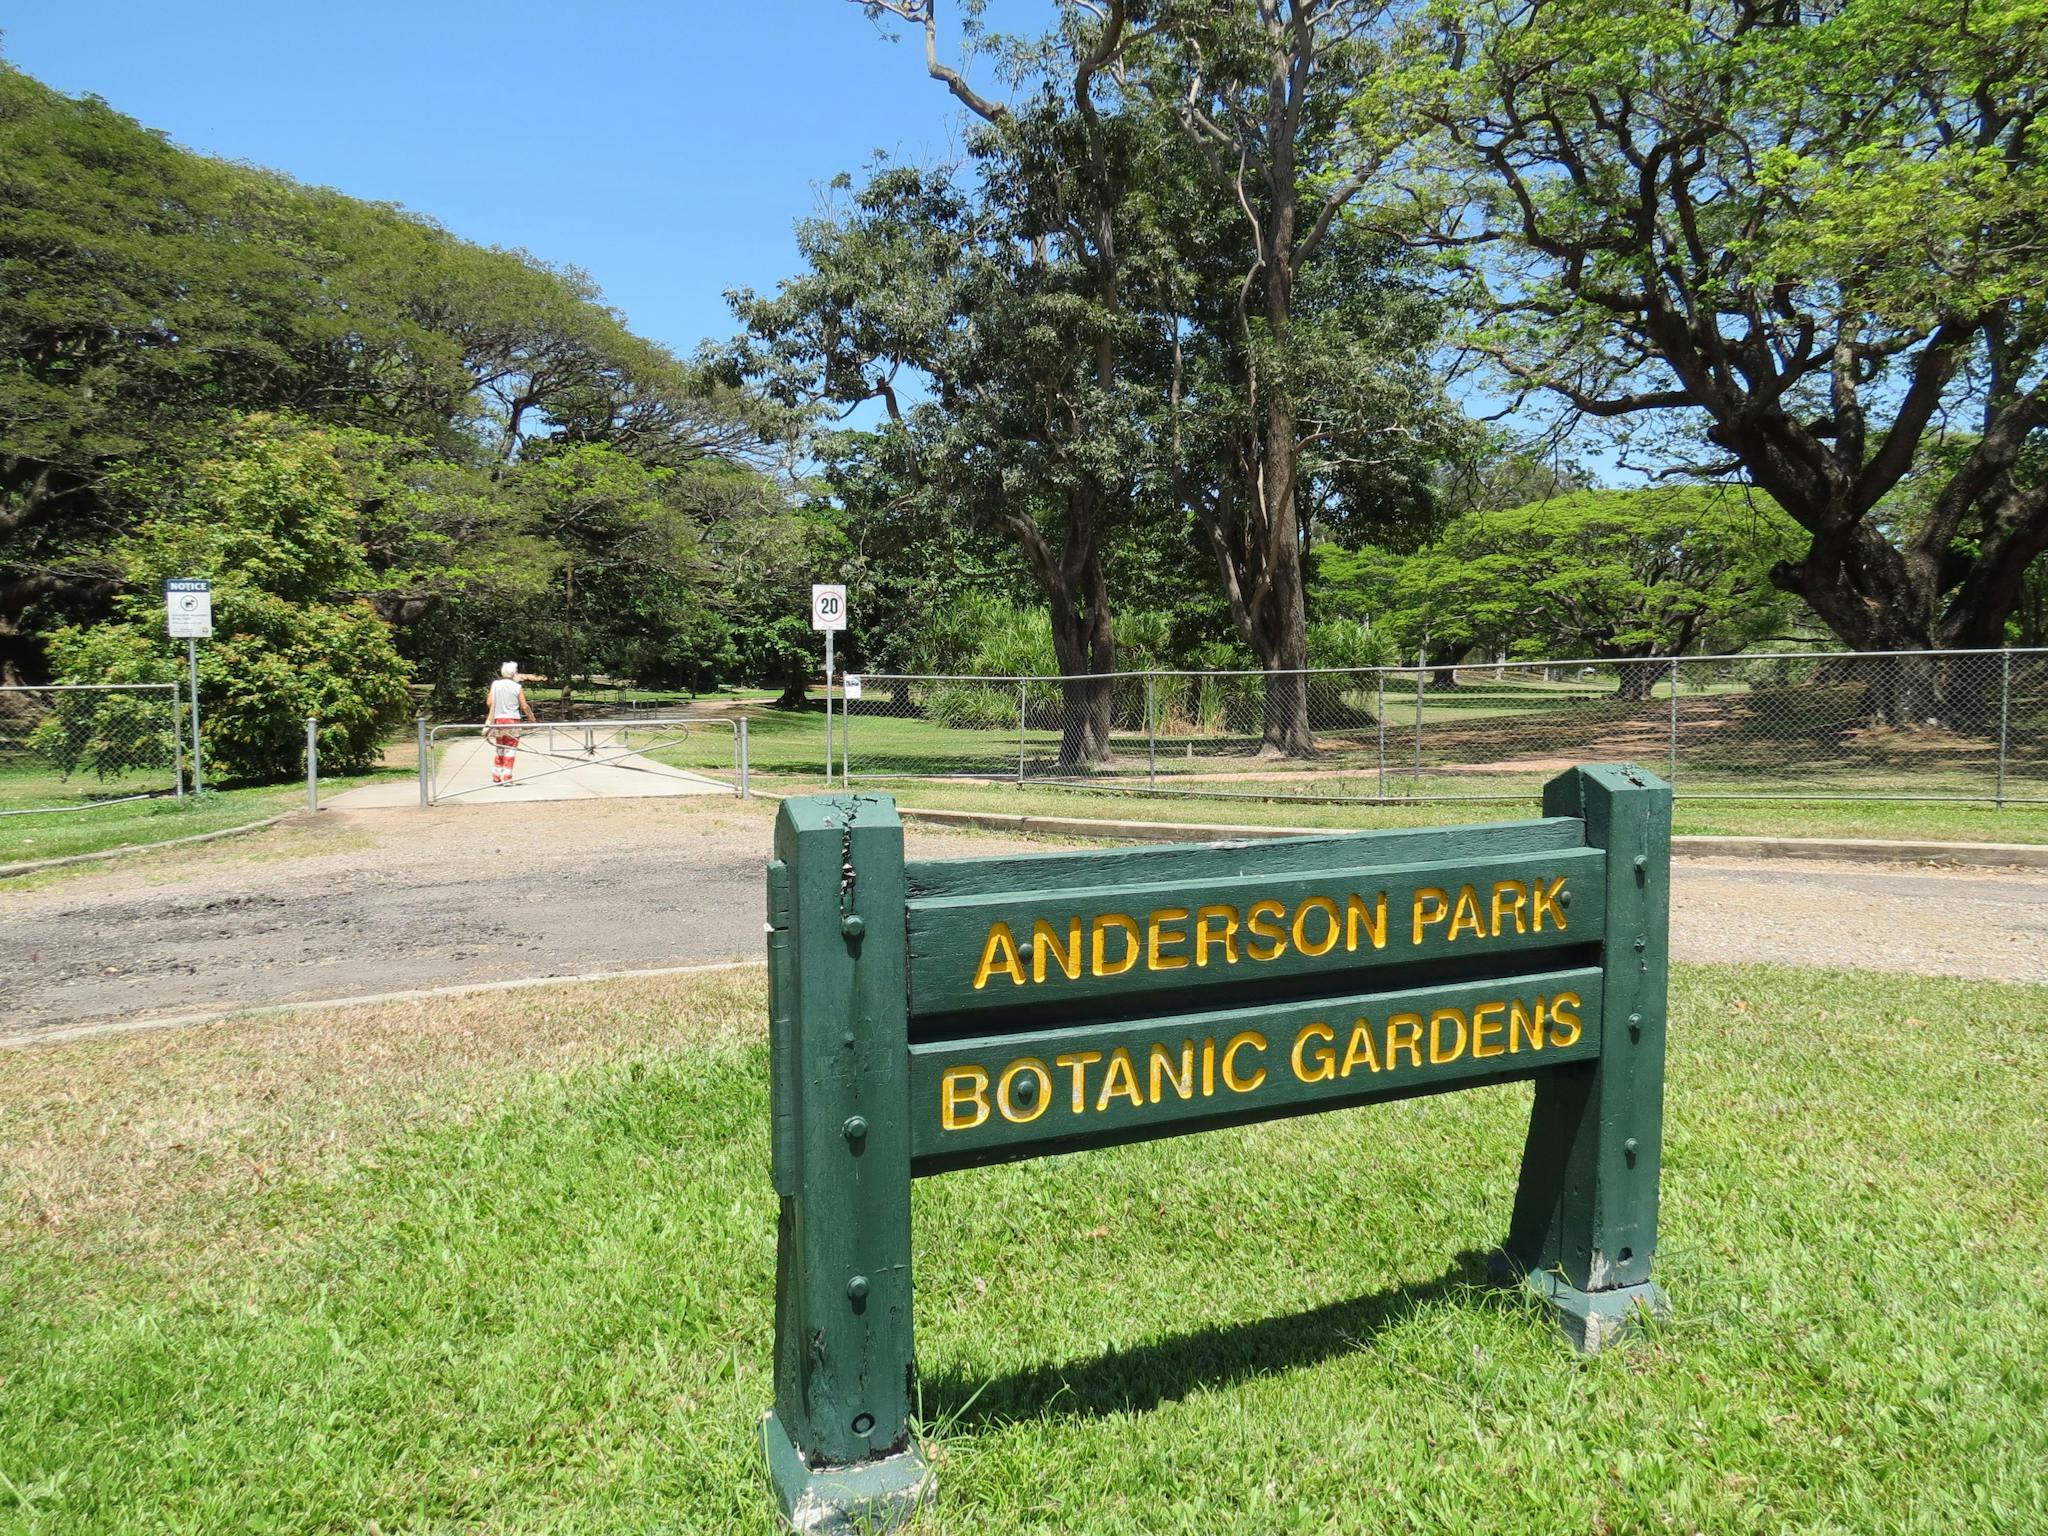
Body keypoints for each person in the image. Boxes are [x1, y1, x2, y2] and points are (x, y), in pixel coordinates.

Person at [484, 662, 536, 784]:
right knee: (510, 749)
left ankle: (496, 774)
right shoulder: (517, 687)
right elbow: (524, 705)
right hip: (513, 720)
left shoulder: (495, 684)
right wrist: (531, 717)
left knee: (500, 747)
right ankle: (507, 776)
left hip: (498, 720)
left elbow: (489, 702)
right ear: (513, 673)